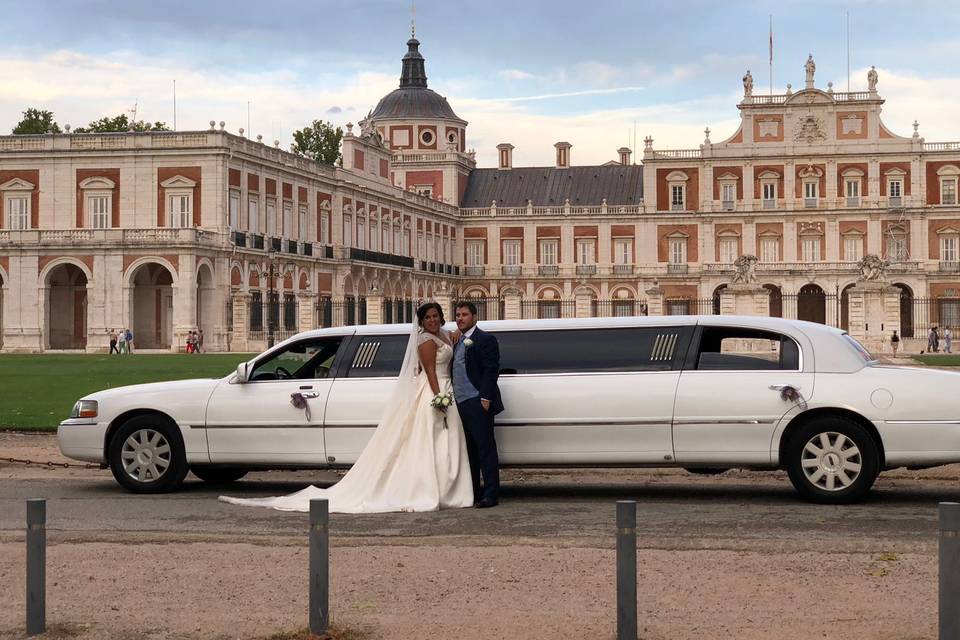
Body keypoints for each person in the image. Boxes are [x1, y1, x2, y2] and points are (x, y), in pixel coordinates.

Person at [220, 302, 474, 513]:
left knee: (439, 441)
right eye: (427, 317)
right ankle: (431, 488)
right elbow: (429, 370)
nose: (432, 320)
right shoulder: (426, 340)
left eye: (435, 316)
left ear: (441, 318)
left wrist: (456, 337)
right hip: (434, 391)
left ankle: (444, 488)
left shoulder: (444, 335)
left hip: (444, 391)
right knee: (428, 443)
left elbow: (451, 351)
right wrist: (439, 397)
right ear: (421, 321)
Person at [451, 300, 504, 508]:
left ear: (474, 317)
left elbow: (492, 370)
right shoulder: (455, 339)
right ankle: (472, 492)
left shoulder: (485, 339)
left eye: (464, 314)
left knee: (485, 449)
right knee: (468, 451)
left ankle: (491, 494)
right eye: (457, 315)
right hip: (458, 403)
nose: (460, 318)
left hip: (477, 401)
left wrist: (485, 398)